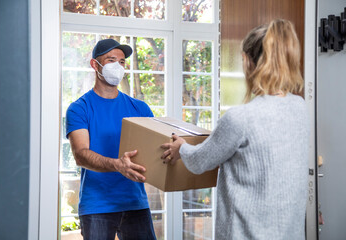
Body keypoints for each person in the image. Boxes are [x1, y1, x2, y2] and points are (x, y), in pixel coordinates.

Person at [161, 19, 309, 239]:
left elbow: (200, 161)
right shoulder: (299, 107)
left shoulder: (240, 118)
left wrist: (181, 147)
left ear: (249, 62)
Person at [66, 38, 156, 240]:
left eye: (122, 62)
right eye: (111, 60)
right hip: (97, 205)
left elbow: (154, 147)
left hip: (135, 202)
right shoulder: (79, 108)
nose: (118, 66)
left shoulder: (139, 108)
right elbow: (80, 155)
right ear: (95, 64)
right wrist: (118, 165)